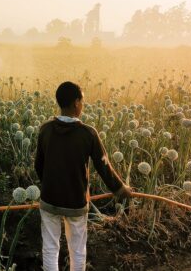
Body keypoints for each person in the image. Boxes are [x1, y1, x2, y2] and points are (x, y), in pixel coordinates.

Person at [34, 81, 132, 271]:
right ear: (76, 103)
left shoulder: (45, 129)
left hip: (49, 200)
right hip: (76, 202)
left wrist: (51, 184)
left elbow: (39, 165)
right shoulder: (88, 133)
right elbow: (104, 167)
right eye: (82, 101)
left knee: (50, 247)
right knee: (77, 249)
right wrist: (121, 189)